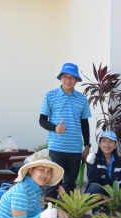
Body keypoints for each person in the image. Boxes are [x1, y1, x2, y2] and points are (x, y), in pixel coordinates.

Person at [39, 62, 92, 199]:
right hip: (56, 148)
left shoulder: (82, 98)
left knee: (69, 185)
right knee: (53, 183)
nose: (68, 80)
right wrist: (55, 128)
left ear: (76, 80)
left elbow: (85, 124)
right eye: (65, 76)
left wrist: (87, 146)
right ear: (61, 78)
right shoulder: (50, 96)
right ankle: (48, 217)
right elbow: (42, 120)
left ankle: (65, 216)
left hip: (75, 149)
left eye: (72, 77)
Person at [85, 130, 121, 212]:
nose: (107, 145)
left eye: (111, 142)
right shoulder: (93, 158)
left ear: (115, 145)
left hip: (115, 194)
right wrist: (92, 165)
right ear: (99, 144)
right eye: (104, 141)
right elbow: (93, 180)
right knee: (94, 187)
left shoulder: (120, 161)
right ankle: (97, 211)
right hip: (99, 194)